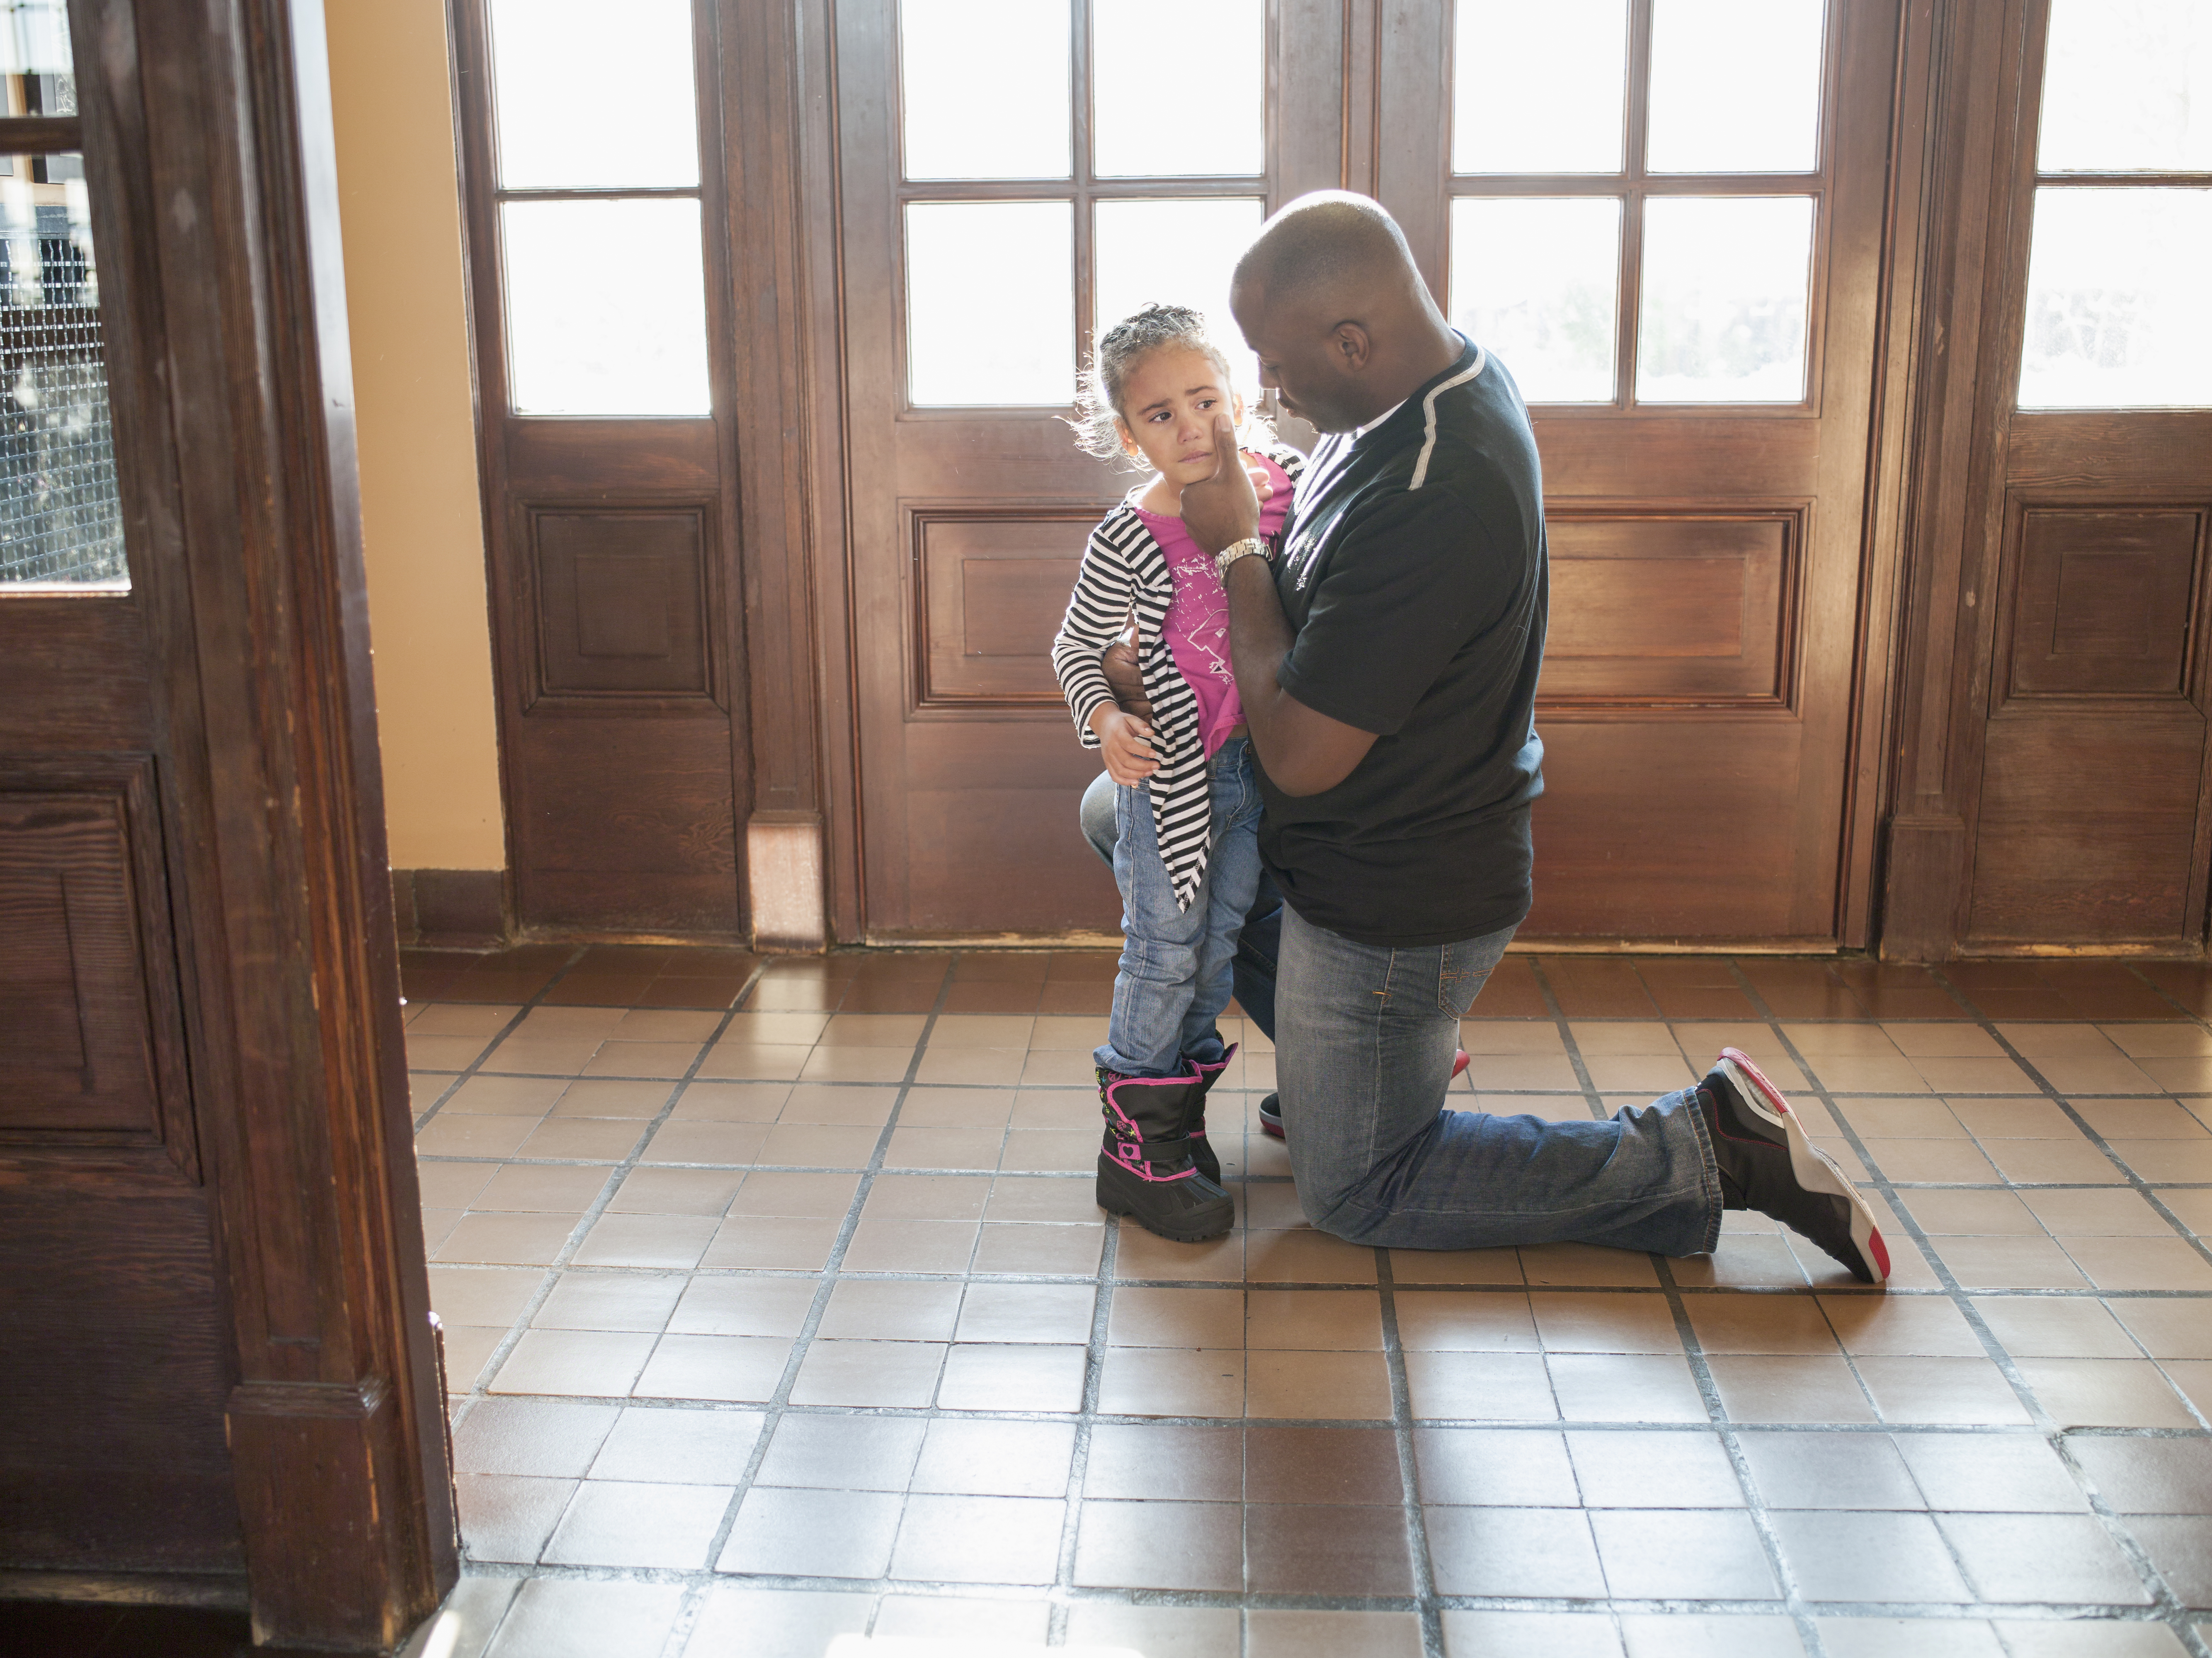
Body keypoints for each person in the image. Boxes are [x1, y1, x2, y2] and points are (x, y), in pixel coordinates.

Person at [1080, 195, 1889, 1285]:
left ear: (1353, 345)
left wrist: (1233, 555)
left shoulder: (1435, 483)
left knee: (1356, 1189)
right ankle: (1344, 1062)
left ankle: (1705, 1147)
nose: (1260, 395)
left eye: (1271, 366)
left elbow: (1303, 758)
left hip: (1394, 895)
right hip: (1338, 840)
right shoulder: (1413, 387)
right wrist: (1124, 689)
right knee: (1124, 817)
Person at [1050, 303, 1306, 1242]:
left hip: (1258, 769)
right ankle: (1132, 1151)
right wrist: (1106, 716)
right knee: (1164, 945)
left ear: (1239, 397)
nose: (1192, 426)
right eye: (1161, 415)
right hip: (1174, 776)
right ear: (1127, 436)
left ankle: (1174, 1124)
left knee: (1219, 939)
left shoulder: (1287, 491)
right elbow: (1077, 645)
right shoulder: (1130, 535)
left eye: (1206, 399)